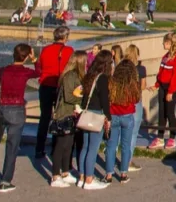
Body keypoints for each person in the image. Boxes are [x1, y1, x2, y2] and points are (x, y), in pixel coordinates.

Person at [0, 43, 40, 193]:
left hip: (0, 109)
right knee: (12, 147)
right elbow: (39, 72)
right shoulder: (25, 72)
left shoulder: (2, 71)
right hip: (17, 110)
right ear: (26, 57)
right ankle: (5, 181)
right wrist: (35, 59)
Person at [50, 50, 89, 187]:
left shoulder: (75, 75)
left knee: (68, 144)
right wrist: (83, 98)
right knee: (61, 145)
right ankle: (55, 176)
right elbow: (69, 96)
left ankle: (65, 172)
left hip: (71, 114)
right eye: (85, 61)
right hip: (65, 113)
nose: (86, 63)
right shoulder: (70, 76)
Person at [36, 26, 74, 158]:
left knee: (44, 117)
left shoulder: (45, 50)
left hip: (45, 85)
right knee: (60, 118)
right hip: (60, 86)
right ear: (65, 37)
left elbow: (39, 67)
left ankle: (39, 149)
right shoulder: (69, 50)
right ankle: (55, 149)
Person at [103, 55, 142, 183]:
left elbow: (108, 99)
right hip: (127, 116)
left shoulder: (112, 83)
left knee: (111, 145)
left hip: (113, 115)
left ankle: (109, 174)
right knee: (125, 146)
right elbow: (136, 99)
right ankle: (123, 174)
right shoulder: (132, 85)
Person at [78, 51, 114, 190]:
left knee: (85, 147)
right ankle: (89, 179)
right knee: (93, 148)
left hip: (86, 113)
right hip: (96, 114)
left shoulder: (89, 75)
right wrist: (108, 117)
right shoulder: (103, 78)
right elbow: (104, 100)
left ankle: (81, 176)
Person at [149, 32, 176, 150]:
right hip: (162, 87)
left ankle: (172, 137)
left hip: (171, 88)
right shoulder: (165, 57)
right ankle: (159, 137)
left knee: (170, 113)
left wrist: (171, 92)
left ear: (169, 43)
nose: (163, 44)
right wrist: (156, 84)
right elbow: (161, 72)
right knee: (162, 112)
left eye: (164, 42)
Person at [124, 45, 147, 168]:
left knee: (122, 131)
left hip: (123, 101)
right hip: (136, 100)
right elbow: (143, 86)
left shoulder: (121, 67)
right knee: (133, 132)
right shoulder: (141, 69)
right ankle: (128, 161)